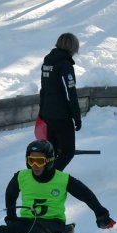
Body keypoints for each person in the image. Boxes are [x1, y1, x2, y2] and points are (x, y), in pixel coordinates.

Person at [39, 33, 83, 171]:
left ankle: (43, 176)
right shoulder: (65, 64)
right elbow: (72, 93)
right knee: (68, 151)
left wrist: (42, 112)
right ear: (73, 47)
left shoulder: (47, 61)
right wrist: (77, 117)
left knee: (53, 150)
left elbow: (43, 89)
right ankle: (51, 178)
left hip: (48, 113)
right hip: (61, 115)